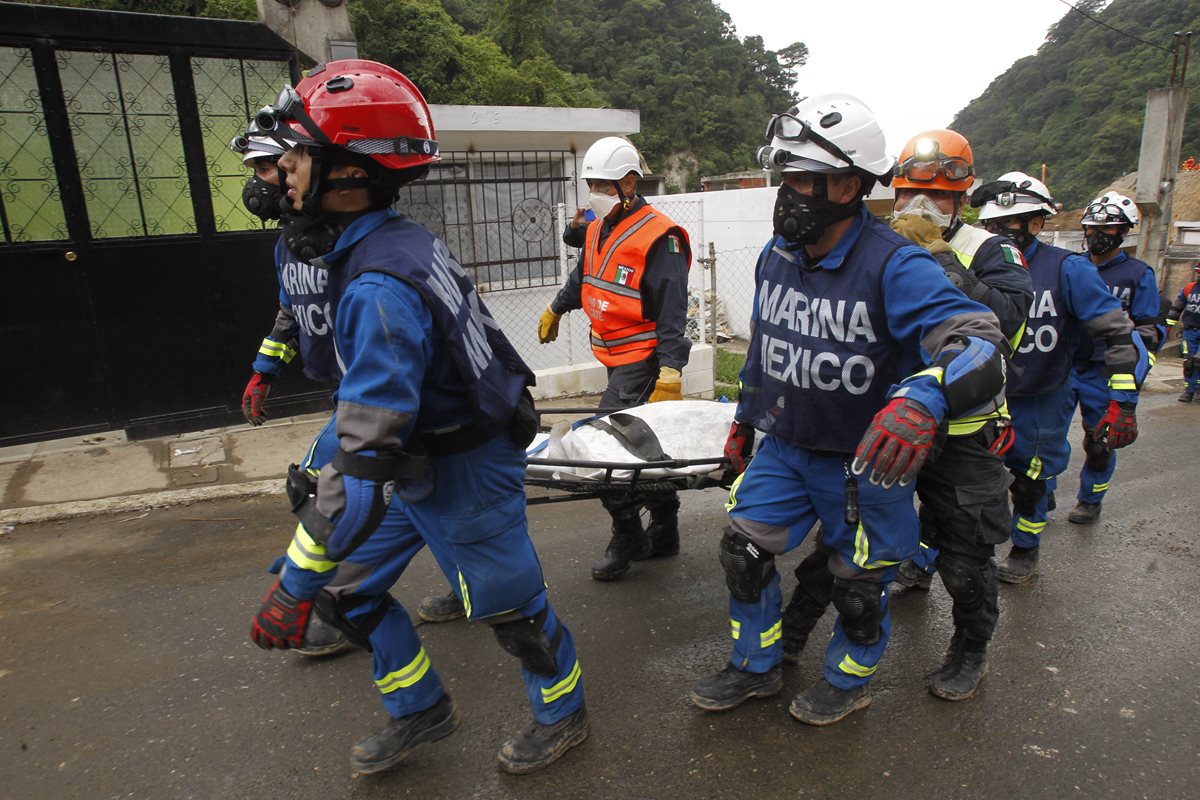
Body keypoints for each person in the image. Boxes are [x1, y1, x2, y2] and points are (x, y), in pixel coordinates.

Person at [247, 60, 588, 776]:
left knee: (510, 612)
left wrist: (291, 587)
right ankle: (420, 709)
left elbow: (365, 468)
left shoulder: (377, 286)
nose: (282, 170)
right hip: (413, 446)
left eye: (297, 154)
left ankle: (564, 713)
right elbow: (364, 420)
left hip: (462, 461)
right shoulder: (373, 243)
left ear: (346, 171)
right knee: (348, 592)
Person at [689, 94, 1006, 725]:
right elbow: (765, 348)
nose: (793, 193)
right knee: (742, 554)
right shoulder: (775, 254)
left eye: (809, 179)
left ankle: (848, 677)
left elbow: (982, 341)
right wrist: (743, 423)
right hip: (784, 446)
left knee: (859, 586)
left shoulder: (896, 264)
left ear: (852, 185)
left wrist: (927, 394)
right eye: (789, 178)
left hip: (865, 461)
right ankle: (755, 666)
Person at [786, 131, 1032, 702]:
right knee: (842, 544)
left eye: (938, 197)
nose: (920, 207)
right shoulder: (874, 246)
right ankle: (793, 631)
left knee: (966, 558)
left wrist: (941, 259)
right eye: (908, 194)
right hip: (883, 429)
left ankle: (970, 648)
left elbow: (1009, 330)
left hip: (963, 433)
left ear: (962, 200)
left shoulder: (990, 251)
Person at [971, 174, 1149, 583]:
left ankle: (1024, 548)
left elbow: (1116, 331)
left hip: (1041, 395)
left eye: (1011, 223)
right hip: (981, 395)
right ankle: (930, 559)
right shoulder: (973, 261)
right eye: (993, 224)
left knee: (1031, 479)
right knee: (961, 480)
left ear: (1037, 224)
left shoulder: (1068, 269)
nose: (999, 233)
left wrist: (1123, 399)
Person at [536, 136, 693, 582]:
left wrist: (671, 367)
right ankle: (665, 527)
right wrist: (558, 306)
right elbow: (585, 272)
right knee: (645, 444)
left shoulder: (660, 237)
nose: (595, 194)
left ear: (628, 183)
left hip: (643, 362)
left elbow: (672, 308)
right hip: (613, 356)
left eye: (603, 185)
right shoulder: (597, 227)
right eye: (591, 185)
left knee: (602, 449)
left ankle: (628, 533)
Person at [1066, 192, 1164, 525]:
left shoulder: (1138, 273)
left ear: (1124, 232)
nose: (1097, 235)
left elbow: (1149, 328)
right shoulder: (1070, 267)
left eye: (1107, 229)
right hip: (1064, 365)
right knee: (1041, 436)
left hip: (1106, 371)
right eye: (1092, 227)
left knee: (1100, 443)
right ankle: (1038, 491)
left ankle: (1090, 500)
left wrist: (1135, 375)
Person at [1166, 262, 1200, 402]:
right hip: (1189, 331)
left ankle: (1198, 390)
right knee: (1189, 362)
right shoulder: (1189, 288)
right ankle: (1189, 391)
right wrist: (1167, 328)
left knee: (1199, 361)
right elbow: (1176, 309)